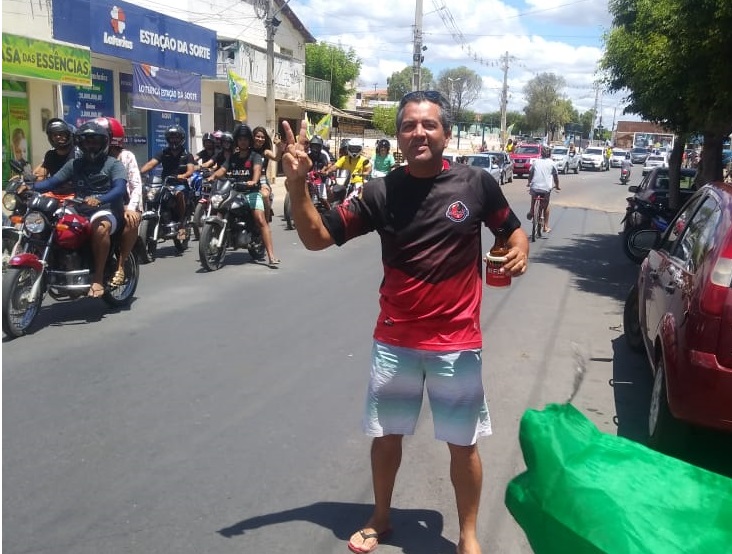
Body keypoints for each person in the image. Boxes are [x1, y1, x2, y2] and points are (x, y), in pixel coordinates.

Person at [280, 90, 529, 554]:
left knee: (463, 444)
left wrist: (519, 250)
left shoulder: (476, 184)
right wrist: (297, 187)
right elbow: (317, 238)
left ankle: (468, 536)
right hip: (395, 342)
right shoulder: (381, 192)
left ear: (446, 134)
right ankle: (381, 517)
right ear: (398, 137)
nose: (419, 133)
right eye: (409, 125)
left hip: (456, 343)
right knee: (386, 436)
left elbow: (511, 229)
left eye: (429, 124)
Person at [28, 120, 127, 297]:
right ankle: (56, 264)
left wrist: (99, 199)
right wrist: (29, 187)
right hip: (79, 207)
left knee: (100, 228)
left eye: (94, 142)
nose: (90, 146)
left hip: (107, 209)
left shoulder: (114, 164)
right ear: (80, 143)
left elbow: (119, 189)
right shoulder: (74, 164)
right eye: (86, 142)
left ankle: (97, 278)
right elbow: (52, 182)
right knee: (47, 221)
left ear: (103, 143)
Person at [210, 123, 280, 267]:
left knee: (260, 220)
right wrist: (212, 176)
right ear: (237, 140)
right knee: (220, 208)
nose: (243, 142)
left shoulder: (255, 156)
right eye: (240, 139)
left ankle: (271, 256)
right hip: (234, 191)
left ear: (249, 141)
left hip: (251, 192)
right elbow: (222, 170)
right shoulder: (233, 157)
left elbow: (257, 170)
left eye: (246, 139)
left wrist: (253, 181)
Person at [99, 116, 142, 286]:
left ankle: (121, 265)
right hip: (98, 204)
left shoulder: (126, 156)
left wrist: (131, 208)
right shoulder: (89, 156)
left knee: (131, 221)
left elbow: (136, 185)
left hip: (125, 203)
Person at [139, 124, 194, 240]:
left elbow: (190, 170)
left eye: (176, 137)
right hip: (165, 183)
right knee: (151, 194)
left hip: (179, 184)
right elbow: (151, 164)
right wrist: (139, 172)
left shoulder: (187, 155)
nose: (174, 140)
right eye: (171, 137)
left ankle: (181, 224)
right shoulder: (163, 152)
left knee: (179, 194)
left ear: (181, 138)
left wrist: (183, 176)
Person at [527, 145, 560, 233]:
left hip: (535, 187)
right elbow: (555, 177)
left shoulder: (536, 162)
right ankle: (545, 226)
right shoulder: (552, 163)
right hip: (546, 188)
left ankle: (532, 210)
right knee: (546, 205)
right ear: (550, 154)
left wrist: (528, 182)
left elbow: (531, 174)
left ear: (541, 153)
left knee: (533, 195)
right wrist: (557, 186)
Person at [252, 126, 279, 222]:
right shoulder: (246, 150)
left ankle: (266, 221)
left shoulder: (266, 152)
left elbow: (276, 158)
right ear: (253, 137)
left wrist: (279, 146)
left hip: (262, 179)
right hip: (246, 178)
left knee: (264, 195)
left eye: (262, 137)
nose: (260, 139)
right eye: (258, 136)